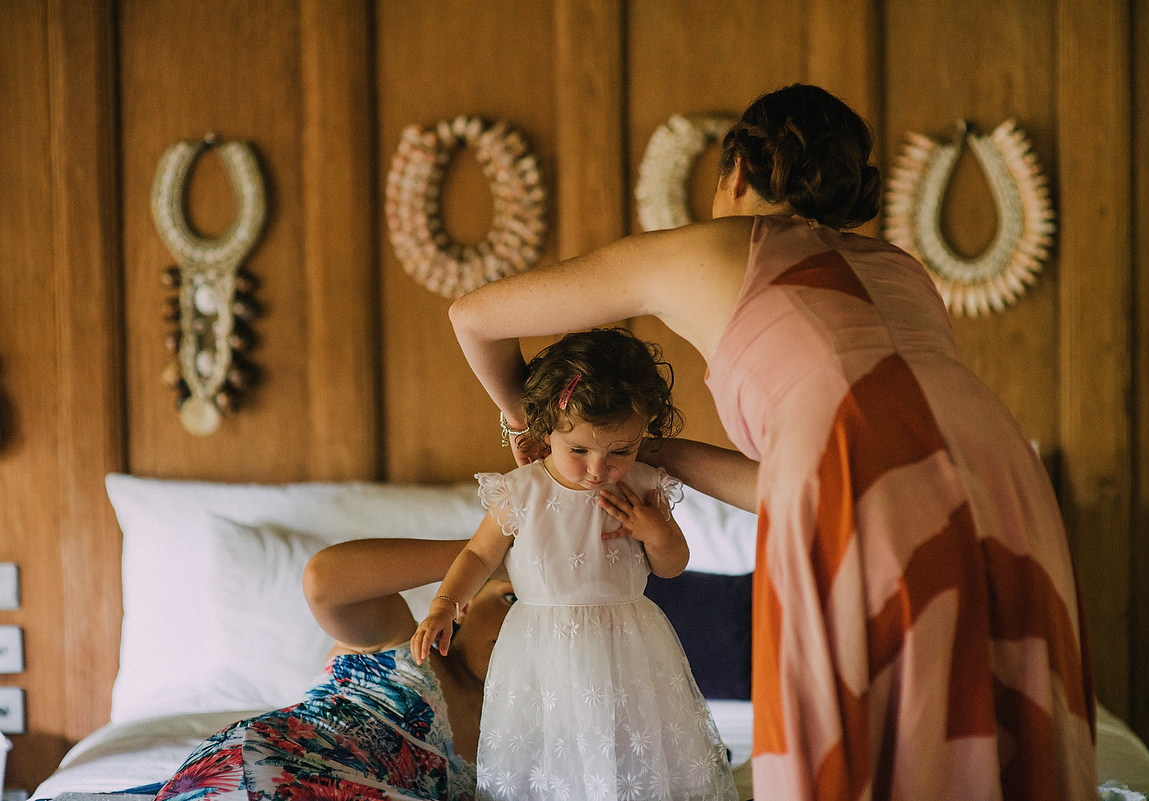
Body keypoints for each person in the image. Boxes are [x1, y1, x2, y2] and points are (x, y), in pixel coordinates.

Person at [446, 84, 1097, 799]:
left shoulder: (704, 245)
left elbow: (473, 315)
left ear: (737, 173)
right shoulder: (901, 270)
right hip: (1003, 473)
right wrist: (648, 452)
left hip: (855, 470)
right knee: (986, 709)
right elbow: (795, 482)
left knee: (873, 738)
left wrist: (527, 422)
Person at [411, 327, 738, 801]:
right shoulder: (522, 490)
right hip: (541, 647)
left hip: (627, 644)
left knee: (629, 750)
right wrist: (445, 603)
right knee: (553, 752)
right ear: (547, 430)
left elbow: (672, 567)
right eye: (579, 450)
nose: (598, 469)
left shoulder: (643, 488)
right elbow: (480, 554)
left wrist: (657, 533)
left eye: (620, 451)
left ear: (642, 437)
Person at [155, 537, 516, 801]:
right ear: (465, 603)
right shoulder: (401, 641)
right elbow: (324, 580)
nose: (525, 624)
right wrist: (487, 554)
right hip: (272, 770)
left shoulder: (530, 740)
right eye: (512, 597)